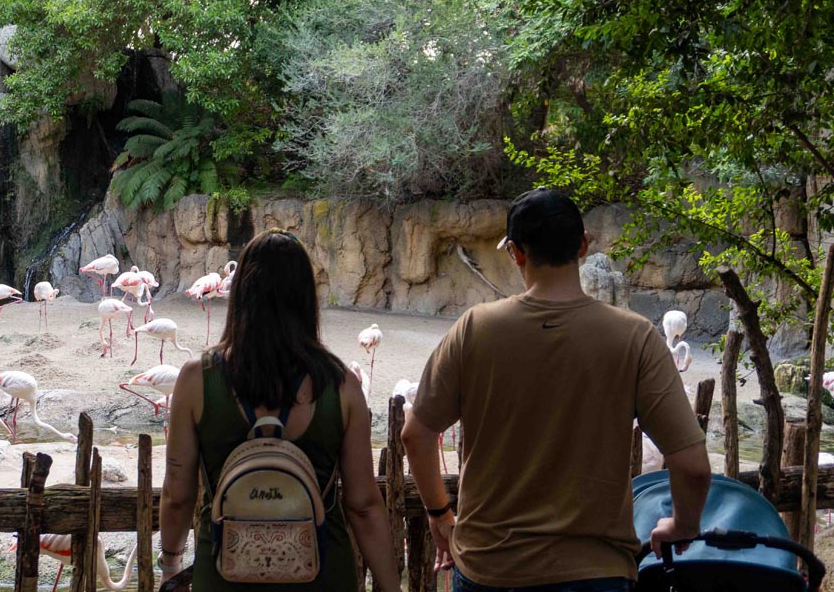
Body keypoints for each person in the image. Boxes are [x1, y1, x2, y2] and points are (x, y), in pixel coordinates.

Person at [401, 187, 711, 591]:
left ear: (515, 252)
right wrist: (682, 524)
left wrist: (439, 513)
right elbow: (693, 465)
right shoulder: (635, 337)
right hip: (595, 573)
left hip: (489, 568)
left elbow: (415, 434)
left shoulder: (475, 329)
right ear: (583, 245)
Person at [157, 229, 404, 591]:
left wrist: (170, 564)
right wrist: (390, 586)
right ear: (306, 297)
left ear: (242, 293)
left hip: (224, 576)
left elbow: (178, 496)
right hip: (323, 577)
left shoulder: (197, 380)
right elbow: (364, 506)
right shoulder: (342, 386)